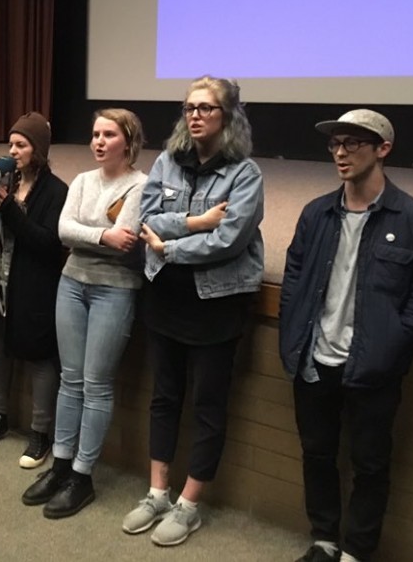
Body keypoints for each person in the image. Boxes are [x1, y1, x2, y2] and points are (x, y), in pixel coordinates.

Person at [279, 110, 413, 562]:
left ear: (383, 149)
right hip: (315, 361)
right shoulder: (316, 213)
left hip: (374, 366)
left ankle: (356, 551)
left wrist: (396, 342)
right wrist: (293, 330)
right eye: (335, 144)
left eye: (352, 143)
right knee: (317, 455)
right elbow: (294, 276)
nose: (340, 152)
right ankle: (324, 540)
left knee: (370, 465)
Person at [124, 76, 264, 546]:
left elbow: (230, 240)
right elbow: (145, 220)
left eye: (206, 108)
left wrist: (169, 248)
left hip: (215, 303)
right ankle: (157, 493)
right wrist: (196, 221)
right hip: (165, 298)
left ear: (228, 117)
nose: (195, 116)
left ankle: (189, 505)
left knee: (207, 406)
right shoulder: (167, 161)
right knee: (164, 397)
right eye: (189, 108)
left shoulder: (245, 174)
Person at [22, 108, 146, 518]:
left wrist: (92, 236)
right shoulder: (81, 181)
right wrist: (102, 235)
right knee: (70, 380)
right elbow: (64, 231)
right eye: (95, 134)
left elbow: (126, 241)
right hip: (72, 283)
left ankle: (81, 475)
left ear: (128, 142)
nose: (98, 142)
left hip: (115, 288)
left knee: (96, 384)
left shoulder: (141, 185)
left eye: (109, 135)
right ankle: (60, 465)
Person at [0, 112, 68, 470]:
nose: (13, 151)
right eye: (11, 144)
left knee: (40, 359)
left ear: (37, 149)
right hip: (1, 282)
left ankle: (40, 433)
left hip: (34, 288)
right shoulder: (8, 183)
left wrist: (10, 209)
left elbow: (47, 243)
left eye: (21, 145)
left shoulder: (56, 191)